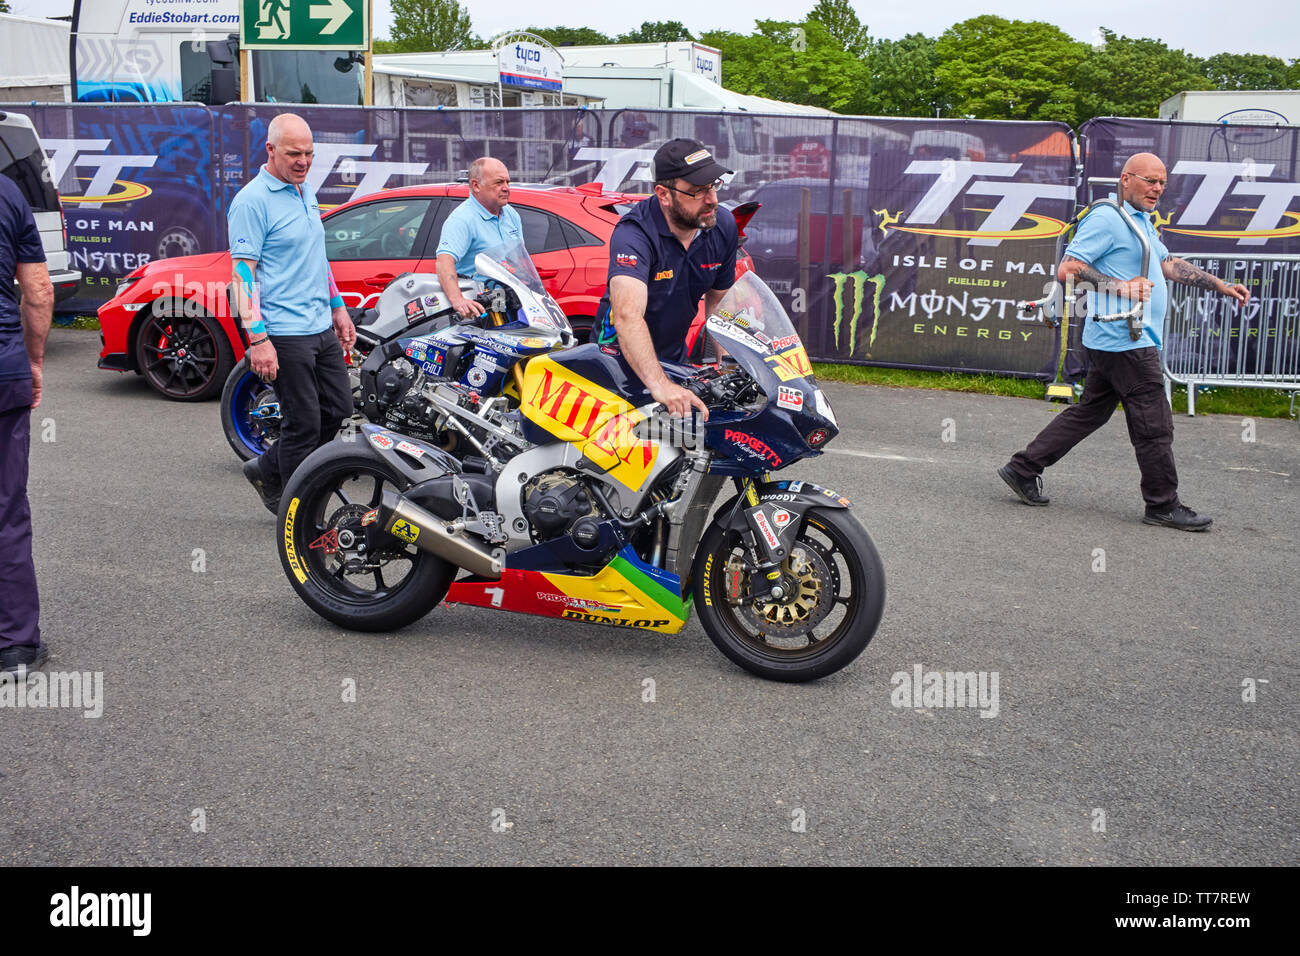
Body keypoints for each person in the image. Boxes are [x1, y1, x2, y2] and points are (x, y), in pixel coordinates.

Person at [997, 152, 1250, 531]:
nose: (1157, 188)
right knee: (1154, 423)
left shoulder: (1141, 221)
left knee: (1091, 411)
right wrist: (1123, 288)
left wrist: (1220, 286)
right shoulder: (1107, 218)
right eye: (1150, 181)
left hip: (1119, 337)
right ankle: (1163, 504)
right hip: (1125, 337)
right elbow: (1070, 268)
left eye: (1162, 182)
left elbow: (1168, 264)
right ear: (1126, 179)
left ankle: (1022, 468)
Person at [228, 113, 355, 513]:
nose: (303, 161)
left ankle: (267, 468)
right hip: (283, 331)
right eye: (294, 154)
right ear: (270, 150)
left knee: (338, 410)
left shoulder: (304, 190)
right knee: (303, 423)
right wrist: (259, 339)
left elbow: (317, 257)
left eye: (309, 154)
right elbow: (242, 274)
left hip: (319, 325)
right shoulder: (251, 201)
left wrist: (338, 308)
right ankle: (299, 510)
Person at [596, 138, 739, 419]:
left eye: (713, 186)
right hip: (617, 366)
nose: (712, 199)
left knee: (685, 452)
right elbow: (627, 315)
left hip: (673, 361)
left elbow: (721, 304)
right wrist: (660, 385)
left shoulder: (722, 225)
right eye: (698, 191)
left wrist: (730, 368)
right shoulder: (634, 234)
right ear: (663, 194)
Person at [0, 174, 53, 676]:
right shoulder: (9, 193)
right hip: (4, 370)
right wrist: (34, 361)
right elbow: (37, 290)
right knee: (6, 508)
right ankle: (15, 647)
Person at [435, 157, 522, 319]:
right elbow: (443, 262)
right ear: (476, 186)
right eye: (498, 182)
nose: (506, 188)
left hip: (504, 302)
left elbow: (520, 259)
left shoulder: (511, 214)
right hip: (477, 309)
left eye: (508, 182)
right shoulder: (462, 219)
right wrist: (458, 300)